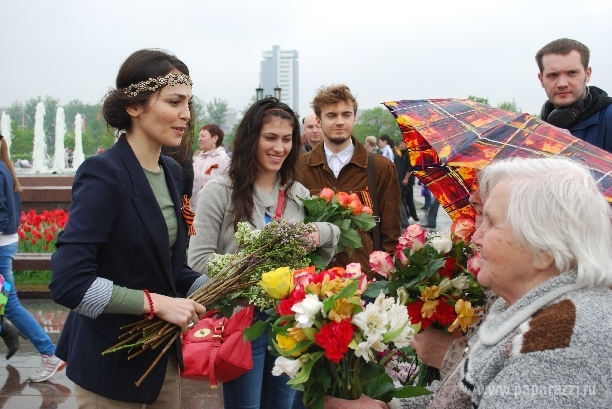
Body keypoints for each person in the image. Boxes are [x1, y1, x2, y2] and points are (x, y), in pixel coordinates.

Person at [326, 156, 612, 408]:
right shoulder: (526, 308)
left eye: (490, 222)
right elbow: (465, 394)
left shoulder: (558, 347)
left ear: (544, 251)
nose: (475, 236)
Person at [50, 49, 208, 408]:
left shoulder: (171, 172)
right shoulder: (104, 173)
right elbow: (69, 282)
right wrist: (157, 304)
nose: (186, 114)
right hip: (109, 362)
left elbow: (172, 270)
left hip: (161, 359)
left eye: (188, 102)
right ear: (134, 107)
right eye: (174, 101)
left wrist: (228, 287)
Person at [188, 97, 340, 409]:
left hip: (289, 324)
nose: (279, 148)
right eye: (270, 137)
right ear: (251, 139)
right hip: (243, 322)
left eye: (286, 140)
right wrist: (253, 277)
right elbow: (198, 259)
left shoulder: (297, 194)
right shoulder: (219, 192)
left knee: (284, 405)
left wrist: (319, 233)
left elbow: (320, 255)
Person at [296, 84, 401, 276]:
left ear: (355, 117)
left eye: (346, 114)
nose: (339, 121)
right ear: (319, 121)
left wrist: (383, 279)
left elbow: (391, 234)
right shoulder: (299, 166)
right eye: (331, 115)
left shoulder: (381, 168)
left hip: (364, 279)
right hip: (313, 281)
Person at [0, 133, 65, 381]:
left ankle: (49, 352)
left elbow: (2, 213)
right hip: (7, 243)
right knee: (4, 301)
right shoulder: (5, 168)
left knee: (10, 304)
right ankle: (8, 331)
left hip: (1, 246)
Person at [536, 38, 612, 153]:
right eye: (553, 75)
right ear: (541, 79)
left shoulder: (608, 119)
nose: (562, 84)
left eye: (572, 73)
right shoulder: (536, 134)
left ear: (587, 74)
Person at [191, 124, 231, 212]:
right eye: (199, 136)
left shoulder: (224, 160)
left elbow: (228, 189)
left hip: (211, 212)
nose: (199, 139)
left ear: (215, 138)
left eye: (203, 136)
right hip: (192, 211)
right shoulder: (198, 158)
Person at [396, 139, 418, 226]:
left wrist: (405, 178)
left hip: (408, 180)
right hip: (405, 179)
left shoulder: (409, 154)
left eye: (401, 143)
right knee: (409, 199)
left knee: (403, 198)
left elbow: (410, 168)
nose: (400, 145)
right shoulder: (403, 153)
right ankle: (414, 217)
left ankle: (408, 217)